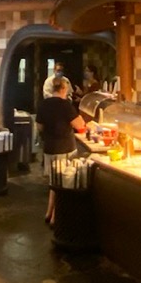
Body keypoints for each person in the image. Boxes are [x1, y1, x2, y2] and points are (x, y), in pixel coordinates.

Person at [35, 75, 85, 226]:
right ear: (63, 89)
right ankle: (56, 217)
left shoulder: (43, 104)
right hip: (65, 149)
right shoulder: (66, 106)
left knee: (54, 181)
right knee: (63, 183)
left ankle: (49, 212)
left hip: (50, 148)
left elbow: (39, 127)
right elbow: (80, 126)